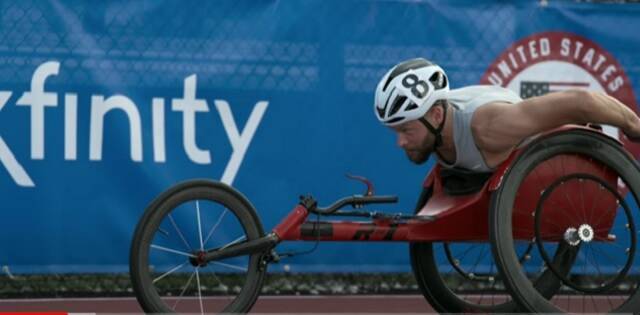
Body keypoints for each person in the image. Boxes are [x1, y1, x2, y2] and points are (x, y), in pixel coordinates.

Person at [374, 58, 640, 172]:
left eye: (406, 131)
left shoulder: (489, 127)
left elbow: (580, 100)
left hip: (556, 160)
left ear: (435, 115)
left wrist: (632, 125)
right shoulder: (436, 124)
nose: (400, 142)